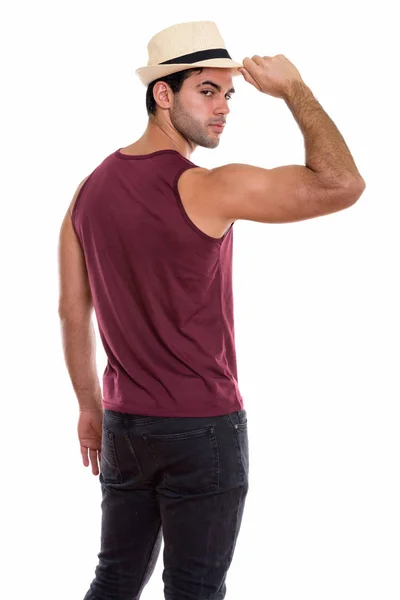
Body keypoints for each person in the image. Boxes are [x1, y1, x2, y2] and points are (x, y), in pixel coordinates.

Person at [57, 20, 366, 600]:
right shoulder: (207, 188)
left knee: (115, 580)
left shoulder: (87, 192)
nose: (223, 107)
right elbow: (343, 183)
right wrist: (294, 88)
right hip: (202, 430)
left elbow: (73, 312)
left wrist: (89, 408)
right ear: (163, 93)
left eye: (229, 94)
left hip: (125, 425)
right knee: (196, 589)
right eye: (207, 90)